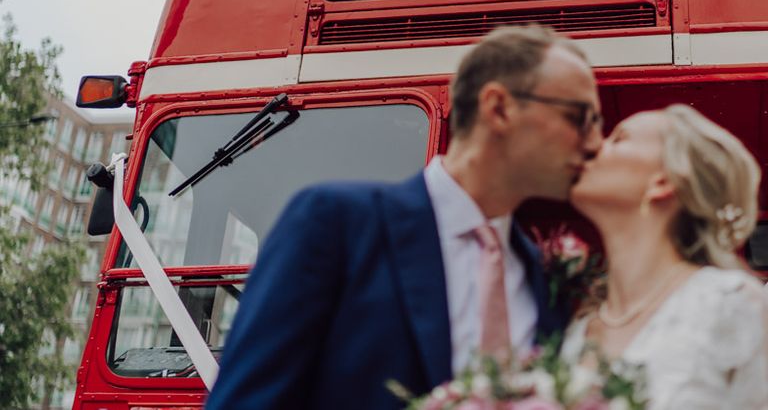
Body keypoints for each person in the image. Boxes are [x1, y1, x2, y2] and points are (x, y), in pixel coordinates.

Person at [205, 25, 603, 410]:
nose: (595, 142)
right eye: (580, 117)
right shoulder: (336, 223)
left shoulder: (542, 276)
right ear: (498, 108)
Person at [562, 104, 768, 409]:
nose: (594, 147)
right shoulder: (579, 333)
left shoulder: (731, 305)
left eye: (618, 139)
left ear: (664, 180)